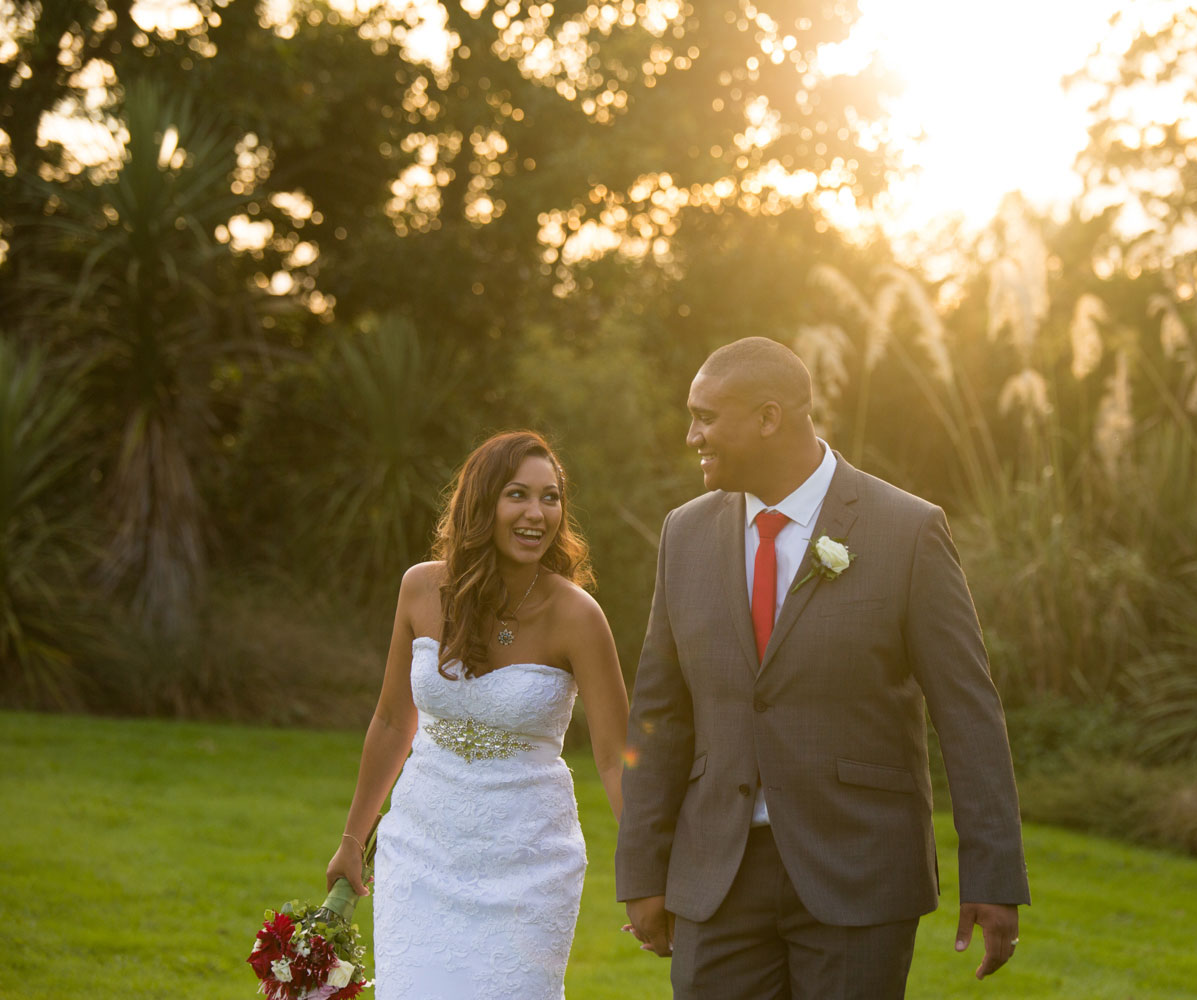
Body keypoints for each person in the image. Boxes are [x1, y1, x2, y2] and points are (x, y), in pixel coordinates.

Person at [616, 337, 1029, 998]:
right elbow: (658, 714)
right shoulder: (683, 534)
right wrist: (642, 868)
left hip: (859, 872)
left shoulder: (907, 530)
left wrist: (993, 875)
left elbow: (967, 710)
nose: (692, 435)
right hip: (715, 876)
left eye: (706, 417)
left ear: (769, 418)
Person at [326, 429, 629, 999]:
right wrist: (352, 838)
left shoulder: (578, 616)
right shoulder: (419, 589)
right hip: (419, 850)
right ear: (480, 502)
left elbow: (616, 758)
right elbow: (393, 721)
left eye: (551, 497)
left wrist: (645, 869)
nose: (537, 513)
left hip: (529, 864)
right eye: (518, 494)